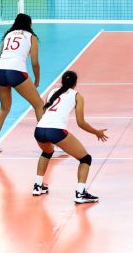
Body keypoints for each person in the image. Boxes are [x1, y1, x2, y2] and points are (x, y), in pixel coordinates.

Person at [33, 71, 108, 203]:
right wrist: (96, 132)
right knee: (85, 158)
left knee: (47, 152)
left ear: (62, 81)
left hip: (39, 129)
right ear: (75, 83)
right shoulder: (77, 96)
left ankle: (38, 186)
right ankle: (80, 193)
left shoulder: (52, 91)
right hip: (56, 131)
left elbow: (44, 111)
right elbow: (81, 123)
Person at [0, 13, 43, 154]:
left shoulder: (8, 35)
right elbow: (35, 63)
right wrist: (37, 80)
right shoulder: (32, 37)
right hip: (16, 72)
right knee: (39, 105)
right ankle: (48, 142)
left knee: (4, 109)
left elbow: (1, 56)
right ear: (29, 25)